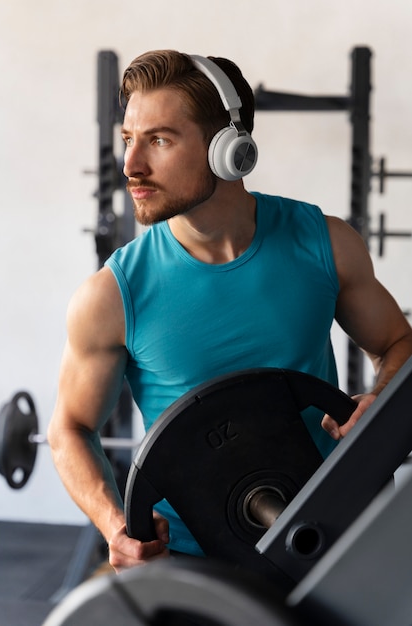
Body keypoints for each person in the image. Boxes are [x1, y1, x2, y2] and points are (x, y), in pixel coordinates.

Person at [48, 50, 412, 573]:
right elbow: (70, 428)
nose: (130, 165)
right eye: (128, 140)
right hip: (195, 557)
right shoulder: (111, 295)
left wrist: (380, 403)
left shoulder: (325, 243)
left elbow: (398, 343)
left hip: (328, 532)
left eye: (159, 140)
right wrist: (114, 526)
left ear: (229, 149)